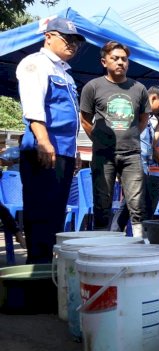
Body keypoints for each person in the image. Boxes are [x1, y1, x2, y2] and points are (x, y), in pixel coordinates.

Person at [16, 17, 84, 263]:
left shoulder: (66, 74)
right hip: (43, 149)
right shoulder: (36, 64)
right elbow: (34, 107)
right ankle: (36, 270)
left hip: (63, 153)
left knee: (55, 216)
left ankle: (47, 270)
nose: (73, 46)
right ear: (49, 36)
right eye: (67, 39)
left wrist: (74, 151)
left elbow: (70, 119)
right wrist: (44, 141)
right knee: (41, 216)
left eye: (76, 42)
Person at [80, 41, 150, 238]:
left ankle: (138, 243)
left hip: (132, 155)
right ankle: (102, 244)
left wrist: (130, 135)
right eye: (115, 58)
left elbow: (143, 119)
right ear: (104, 61)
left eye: (124, 59)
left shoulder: (139, 89)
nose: (120, 62)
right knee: (102, 203)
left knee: (137, 204)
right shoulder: (92, 87)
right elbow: (85, 119)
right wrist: (99, 140)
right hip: (103, 155)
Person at [110, 86, 159, 231]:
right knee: (131, 204)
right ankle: (114, 234)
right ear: (153, 98)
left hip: (143, 167)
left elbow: (152, 142)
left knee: (133, 204)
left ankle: (117, 234)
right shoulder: (134, 111)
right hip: (133, 165)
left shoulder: (147, 118)